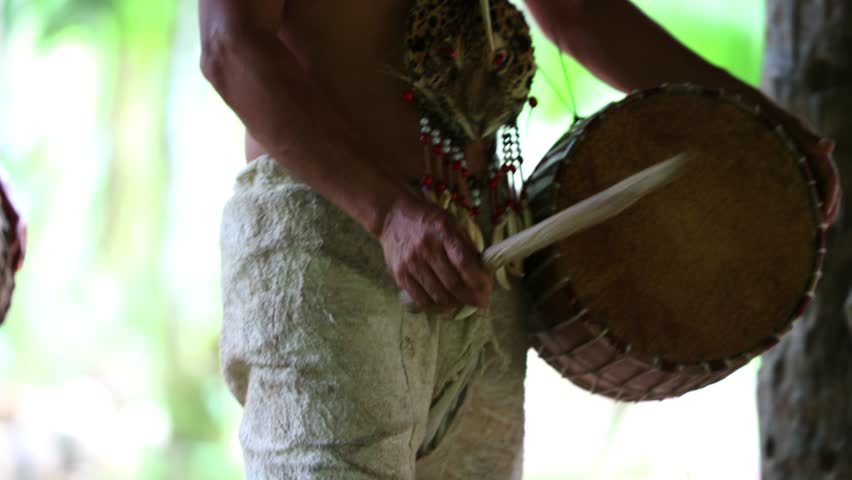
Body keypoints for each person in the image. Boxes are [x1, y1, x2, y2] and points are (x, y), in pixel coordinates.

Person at [199, 1, 841, 478]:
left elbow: (579, 12)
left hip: (483, 252)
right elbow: (229, 45)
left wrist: (752, 121)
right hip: (330, 237)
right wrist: (387, 215)